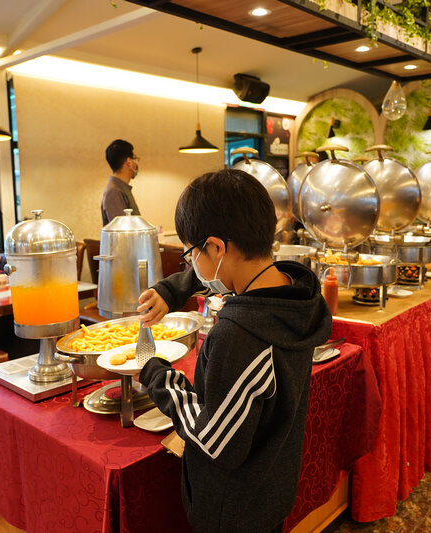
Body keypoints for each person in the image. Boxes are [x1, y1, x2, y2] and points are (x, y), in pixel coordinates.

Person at [136, 168, 332, 533]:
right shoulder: (295, 296)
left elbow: (217, 441)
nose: (191, 262)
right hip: (270, 487)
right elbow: (228, 272)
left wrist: (155, 374)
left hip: (232, 510)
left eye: (191, 252)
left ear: (216, 248)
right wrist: (173, 289)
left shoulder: (239, 336)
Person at [102, 139, 141, 225]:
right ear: (128, 162)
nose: (137, 163)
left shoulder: (121, 188)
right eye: (135, 158)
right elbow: (122, 229)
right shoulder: (114, 191)